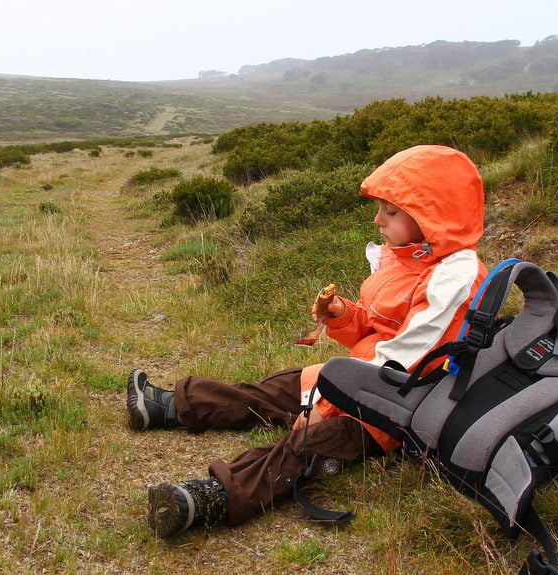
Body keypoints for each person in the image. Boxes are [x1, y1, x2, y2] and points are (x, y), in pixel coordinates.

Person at [127, 144, 488, 538]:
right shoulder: (406, 257)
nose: (377, 219)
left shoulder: (454, 280)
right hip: (360, 378)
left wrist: (327, 406)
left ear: (431, 215)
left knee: (308, 445)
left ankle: (212, 499)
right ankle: (168, 407)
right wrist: (343, 314)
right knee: (279, 387)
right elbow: (375, 329)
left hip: (392, 409)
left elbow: (404, 361)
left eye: (391, 211)